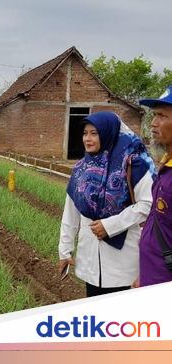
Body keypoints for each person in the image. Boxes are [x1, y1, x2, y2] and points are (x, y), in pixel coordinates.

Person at [59, 111, 156, 297]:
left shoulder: (132, 164)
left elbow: (147, 204)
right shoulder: (80, 169)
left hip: (123, 263)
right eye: (85, 133)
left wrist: (110, 225)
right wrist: (65, 251)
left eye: (94, 133)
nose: (87, 139)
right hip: (89, 260)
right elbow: (71, 212)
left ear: (107, 132)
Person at [134, 86, 172, 288]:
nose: (154, 123)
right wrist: (144, 273)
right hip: (152, 276)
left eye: (162, 116)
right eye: (154, 115)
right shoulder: (166, 167)